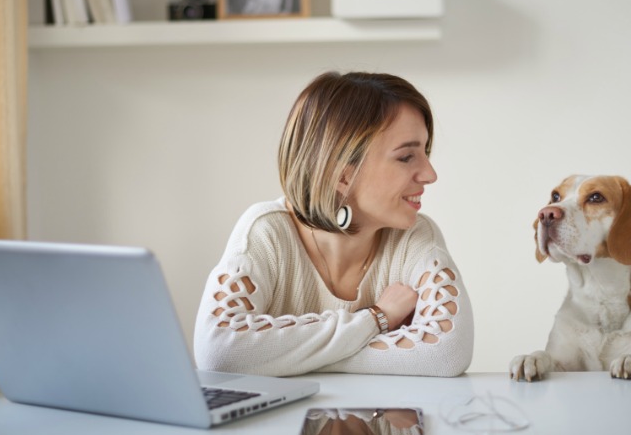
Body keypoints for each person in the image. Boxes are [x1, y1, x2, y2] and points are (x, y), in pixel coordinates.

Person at [193, 71, 473, 377]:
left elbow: (447, 354)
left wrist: (291, 357)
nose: (430, 174)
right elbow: (219, 351)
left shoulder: (416, 237)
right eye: (406, 157)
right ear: (342, 176)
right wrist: (376, 319)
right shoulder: (266, 232)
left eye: (425, 152)